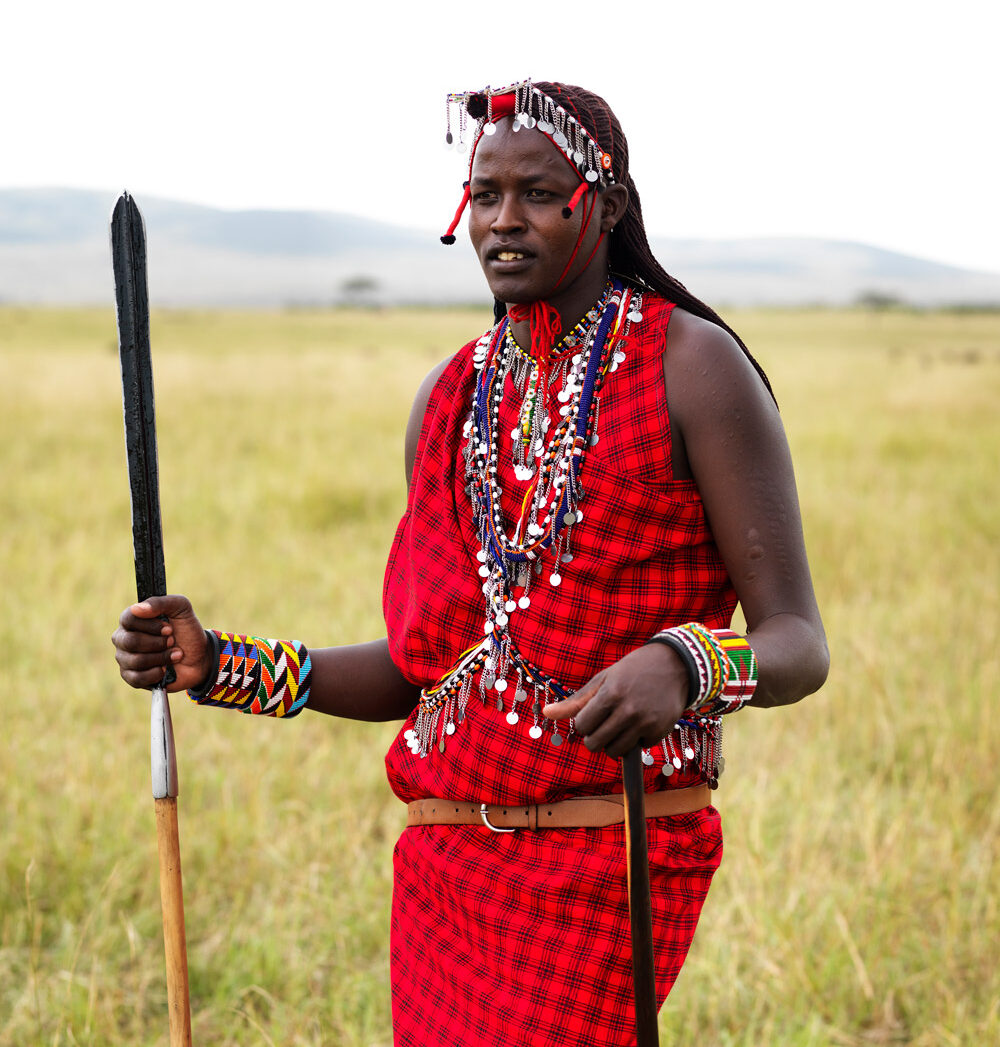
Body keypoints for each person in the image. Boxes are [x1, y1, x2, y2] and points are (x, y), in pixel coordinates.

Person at [113, 80, 829, 1046]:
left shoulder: (692, 368)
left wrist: (687, 665)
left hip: (611, 859)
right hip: (444, 871)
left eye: (537, 194)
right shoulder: (450, 400)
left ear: (605, 203)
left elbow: (797, 644)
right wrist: (223, 666)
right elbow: (423, 671)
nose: (503, 221)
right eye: (483, 194)